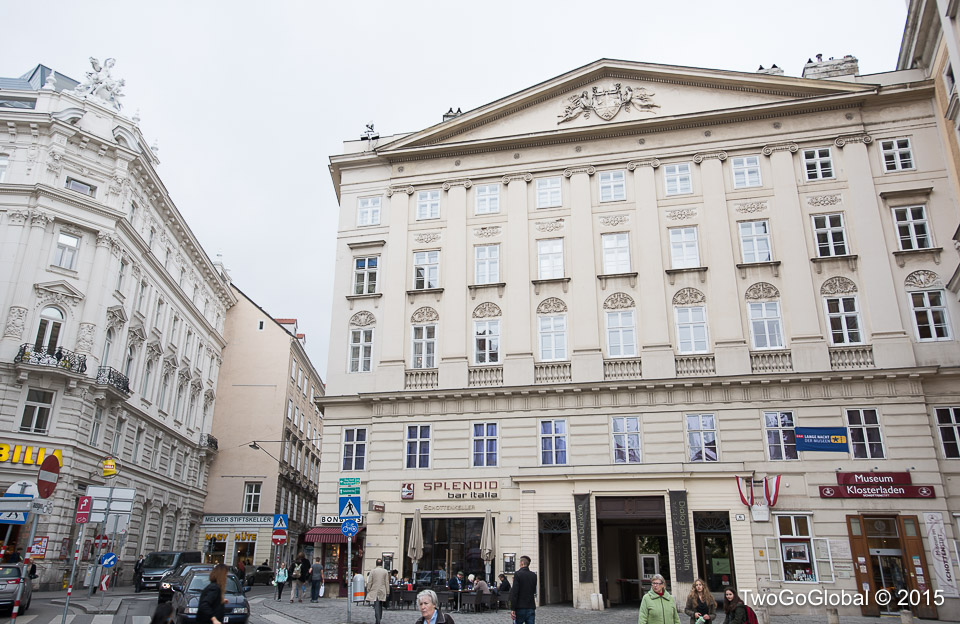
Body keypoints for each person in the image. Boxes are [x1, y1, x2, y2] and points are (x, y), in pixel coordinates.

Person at [509, 556, 537, 624]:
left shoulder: (517, 574)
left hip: (520, 607)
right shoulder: (534, 575)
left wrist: (513, 608)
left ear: (522, 563)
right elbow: (533, 590)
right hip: (530, 606)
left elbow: (515, 593)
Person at [367, 558, 390, 624]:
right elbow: (386, 582)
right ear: (382, 564)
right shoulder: (385, 571)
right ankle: (379, 617)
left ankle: (377, 619)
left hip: (374, 590)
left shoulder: (373, 571)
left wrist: (368, 589)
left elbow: (370, 581)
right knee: (380, 604)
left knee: (376, 604)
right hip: (382, 590)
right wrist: (387, 591)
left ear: (376, 564)